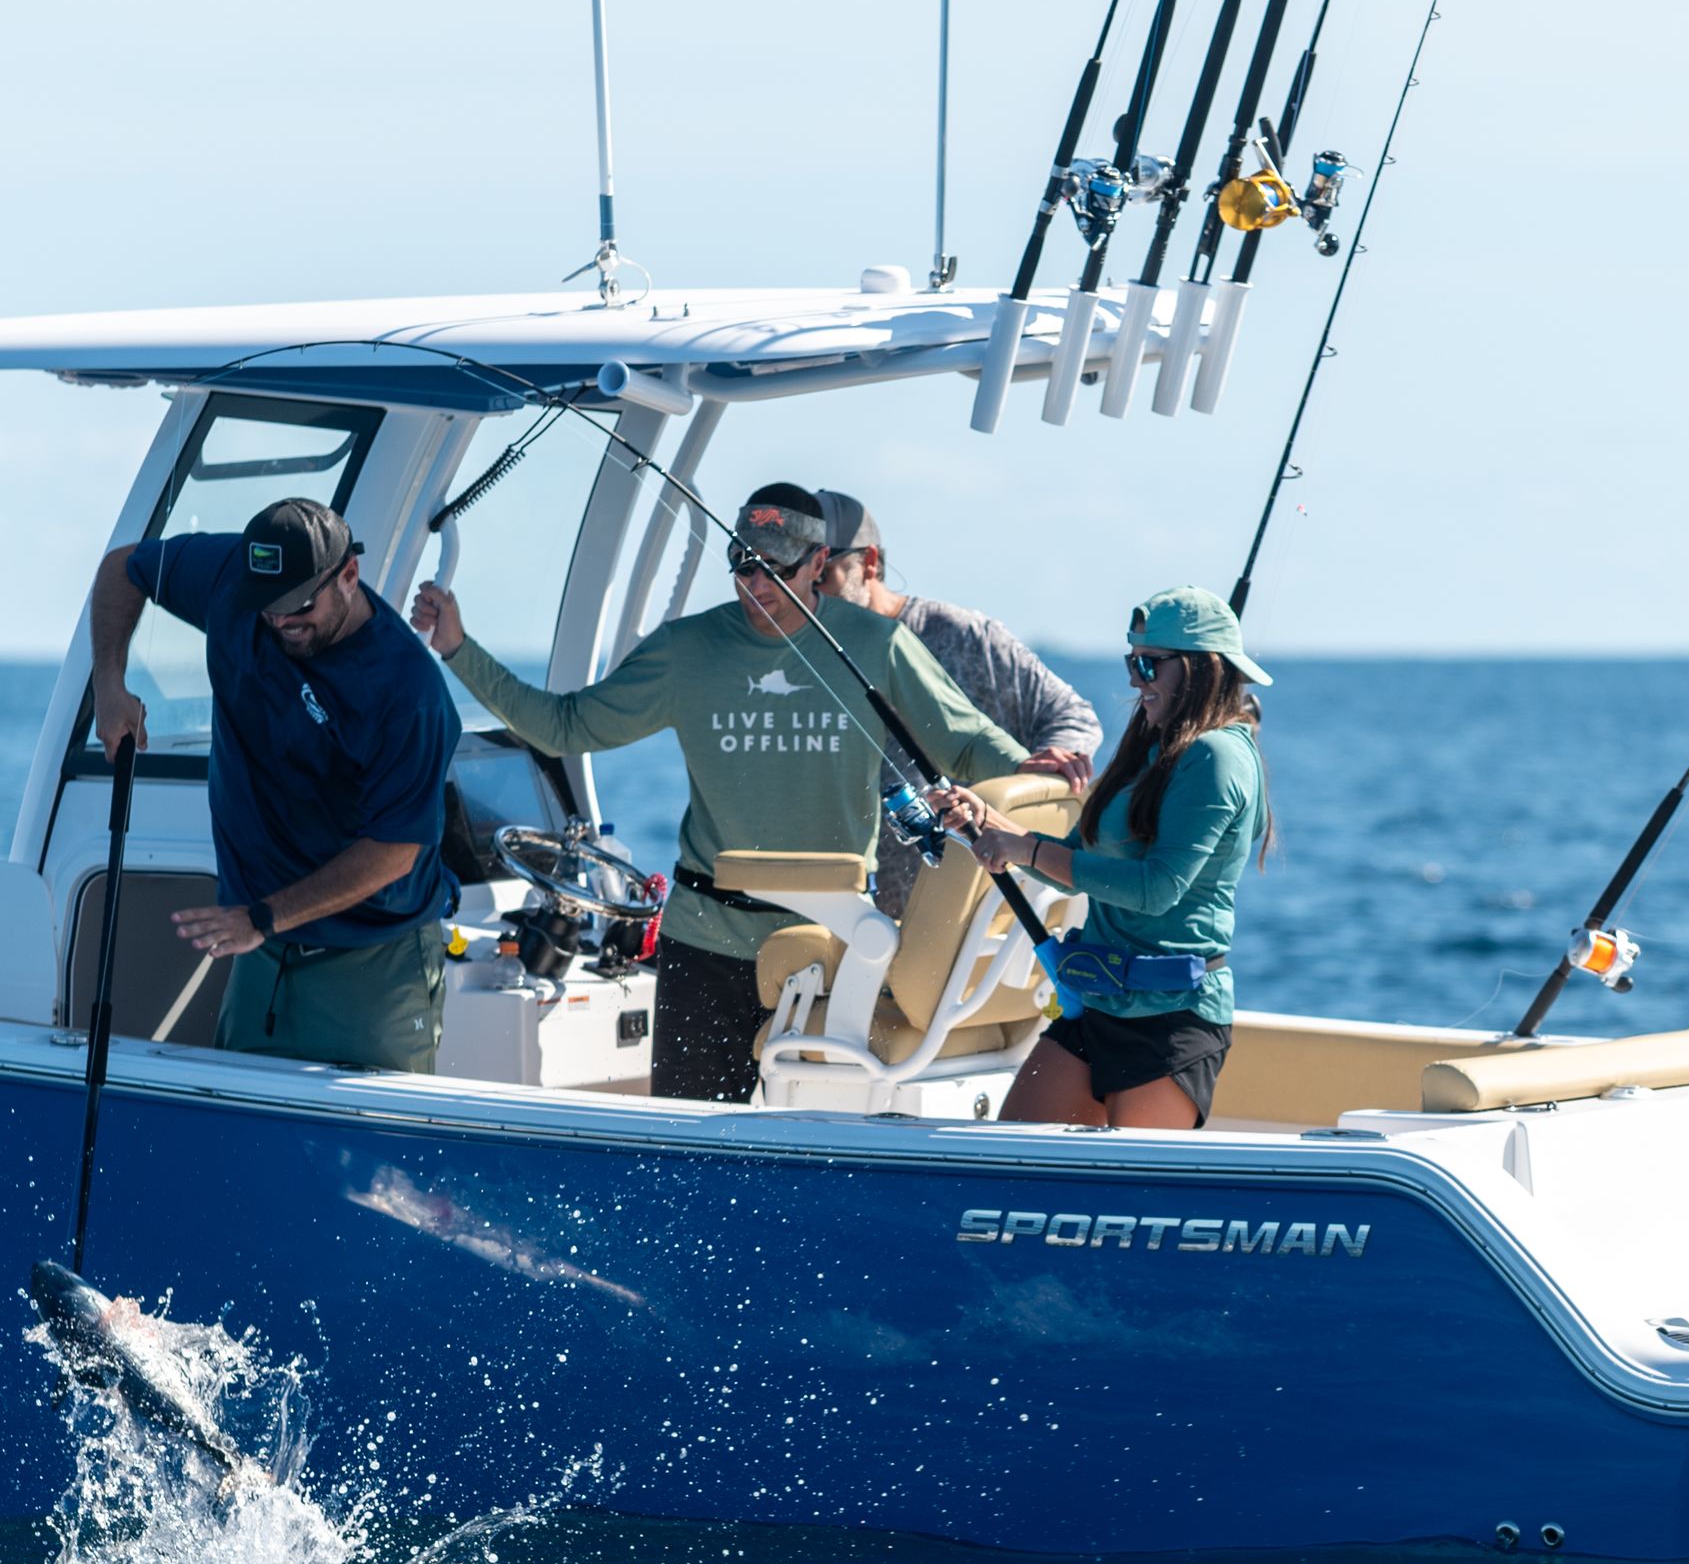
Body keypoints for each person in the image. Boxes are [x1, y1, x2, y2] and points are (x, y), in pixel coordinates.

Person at [411, 482, 1041, 1104]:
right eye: (743, 567)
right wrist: (459, 650)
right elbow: (566, 725)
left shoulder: (878, 647)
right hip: (706, 945)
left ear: (820, 564)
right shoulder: (688, 650)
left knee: (807, 1157)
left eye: (777, 570)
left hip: (829, 948)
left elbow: (975, 747)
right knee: (687, 1156)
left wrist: (1051, 789)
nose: (756, 587)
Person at [88, 498, 460, 1072]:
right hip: (261, 948)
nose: (281, 622)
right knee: (238, 1146)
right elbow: (124, 567)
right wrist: (107, 687)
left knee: (369, 1160)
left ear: (349, 576)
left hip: (372, 962)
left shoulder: (408, 693)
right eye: (267, 608)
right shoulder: (233, 579)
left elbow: (395, 852)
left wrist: (261, 918)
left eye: (299, 606)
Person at [943, 586, 1270, 1130]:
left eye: (1148, 664)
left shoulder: (1217, 757)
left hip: (1172, 1020)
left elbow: (1155, 889)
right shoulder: (1149, 747)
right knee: (1013, 1162)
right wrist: (986, 822)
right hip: (1098, 1009)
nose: (1134, 679)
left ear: (1199, 669)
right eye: (1131, 660)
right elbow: (1071, 863)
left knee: (1134, 1202)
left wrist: (1025, 848)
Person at [811, 490, 1101, 921]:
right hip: (853, 921)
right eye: (795, 577)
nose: (809, 593)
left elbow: (1072, 716)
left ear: (869, 562)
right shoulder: (798, 656)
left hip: (962, 928)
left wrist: (1054, 763)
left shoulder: (963, 635)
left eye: (825, 574)